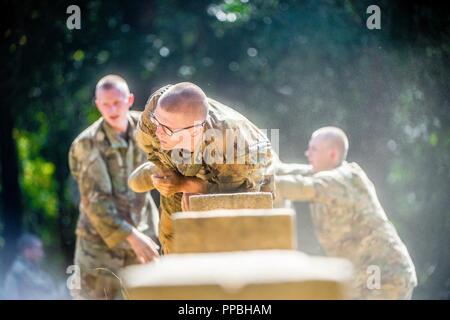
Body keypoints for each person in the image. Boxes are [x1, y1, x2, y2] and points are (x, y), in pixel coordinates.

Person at [128, 82, 273, 254]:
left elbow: (237, 198)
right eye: (156, 122)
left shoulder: (235, 147)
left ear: (194, 131)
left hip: (241, 180)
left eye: (166, 129)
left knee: (234, 242)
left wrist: (189, 185)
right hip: (182, 157)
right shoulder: (158, 109)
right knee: (174, 240)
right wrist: (166, 174)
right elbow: (151, 147)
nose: (158, 131)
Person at [275, 126, 417, 299]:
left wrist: (260, 179)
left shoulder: (340, 180)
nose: (307, 153)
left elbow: (294, 187)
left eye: (314, 149)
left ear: (332, 155)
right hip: (366, 276)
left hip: (385, 275)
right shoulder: (329, 174)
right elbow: (291, 171)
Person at [68, 74, 160, 299]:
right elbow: (96, 203)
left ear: (129, 100)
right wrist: (132, 236)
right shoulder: (86, 144)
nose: (112, 109)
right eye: (105, 104)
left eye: (117, 102)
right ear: (98, 105)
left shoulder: (149, 130)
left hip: (143, 235)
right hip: (99, 250)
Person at [3, 233, 58, 299]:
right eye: (38, 249)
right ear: (27, 251)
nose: (42, 254)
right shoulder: (18, 274)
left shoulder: (38, 273)